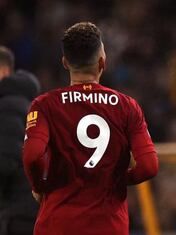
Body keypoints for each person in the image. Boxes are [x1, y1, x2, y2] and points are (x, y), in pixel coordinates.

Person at [22, 22, 158, 235]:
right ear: (102, 62)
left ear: (65, 63)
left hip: (57, 224)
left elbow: (31, 156)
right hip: (109, 225)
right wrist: (115, 179)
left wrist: (40, 186)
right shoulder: (127, 106)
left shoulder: (44, 105)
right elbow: (149, 166)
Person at [0, 46, 40, 234]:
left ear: (3, 71)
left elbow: (5, 161)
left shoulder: (8, 105)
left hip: (19, 211)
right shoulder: (29, 104)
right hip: (35, 208)